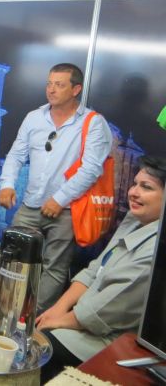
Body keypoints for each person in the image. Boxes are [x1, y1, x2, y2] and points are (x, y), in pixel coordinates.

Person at [37, 155, 166, 381]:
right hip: (80, 321)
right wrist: (57, 310)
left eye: (146, 187)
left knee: (35, 348)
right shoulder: (134, 221)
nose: (133, 192)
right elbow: (95, 270)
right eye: (135, 184)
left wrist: (57, 322)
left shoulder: (156, 250)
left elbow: (102, 310)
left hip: (106, 339)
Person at [0, 63, 112, 311]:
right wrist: (7, 184)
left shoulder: (93, 123)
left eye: (59, 85)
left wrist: (60, 199)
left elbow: (92, 169)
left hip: (67, 210)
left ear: (76, 90)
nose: (51, 89)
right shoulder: (34, 117)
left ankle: (34, 322)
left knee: (54, 268)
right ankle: (5, 310)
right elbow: (16, 155)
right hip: (31, 204)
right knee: (13, 256)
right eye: (49, 83)